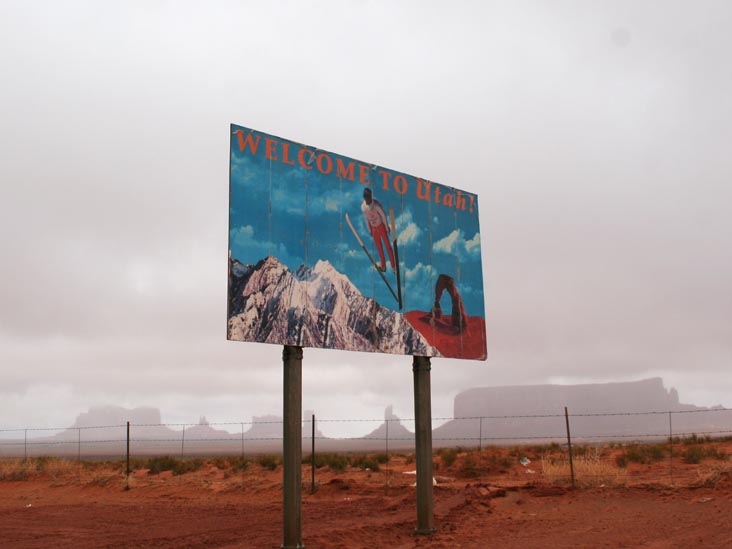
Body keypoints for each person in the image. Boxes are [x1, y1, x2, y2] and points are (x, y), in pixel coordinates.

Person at [361, 187, 396, 272]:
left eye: (369, 198)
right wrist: (369, 230)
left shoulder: (376, 205)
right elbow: (366, 219)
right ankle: (383, 266)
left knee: (388, 246)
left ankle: (393, 266)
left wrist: (387, 227)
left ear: (371, 197)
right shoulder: (363, 207)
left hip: (381, 226)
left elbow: (383, 215)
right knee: (379, 248)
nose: (368, 201)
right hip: (374, 229)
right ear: (364, 198)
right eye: (366, 199)